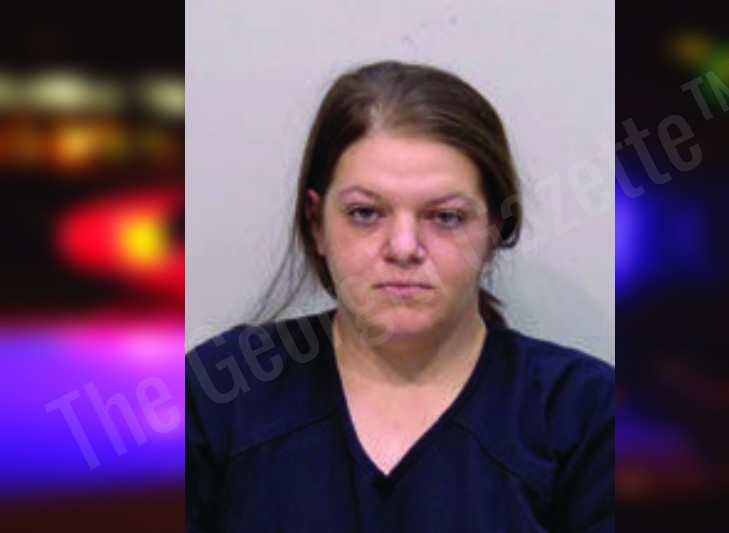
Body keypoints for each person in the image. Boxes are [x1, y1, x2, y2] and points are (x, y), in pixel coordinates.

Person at [186, 60, 614, 532]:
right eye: (365, 213)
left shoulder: (585, 415)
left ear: (494, 229)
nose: (404, 248)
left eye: (446, 217)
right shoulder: (224, 393)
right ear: (316, 223)